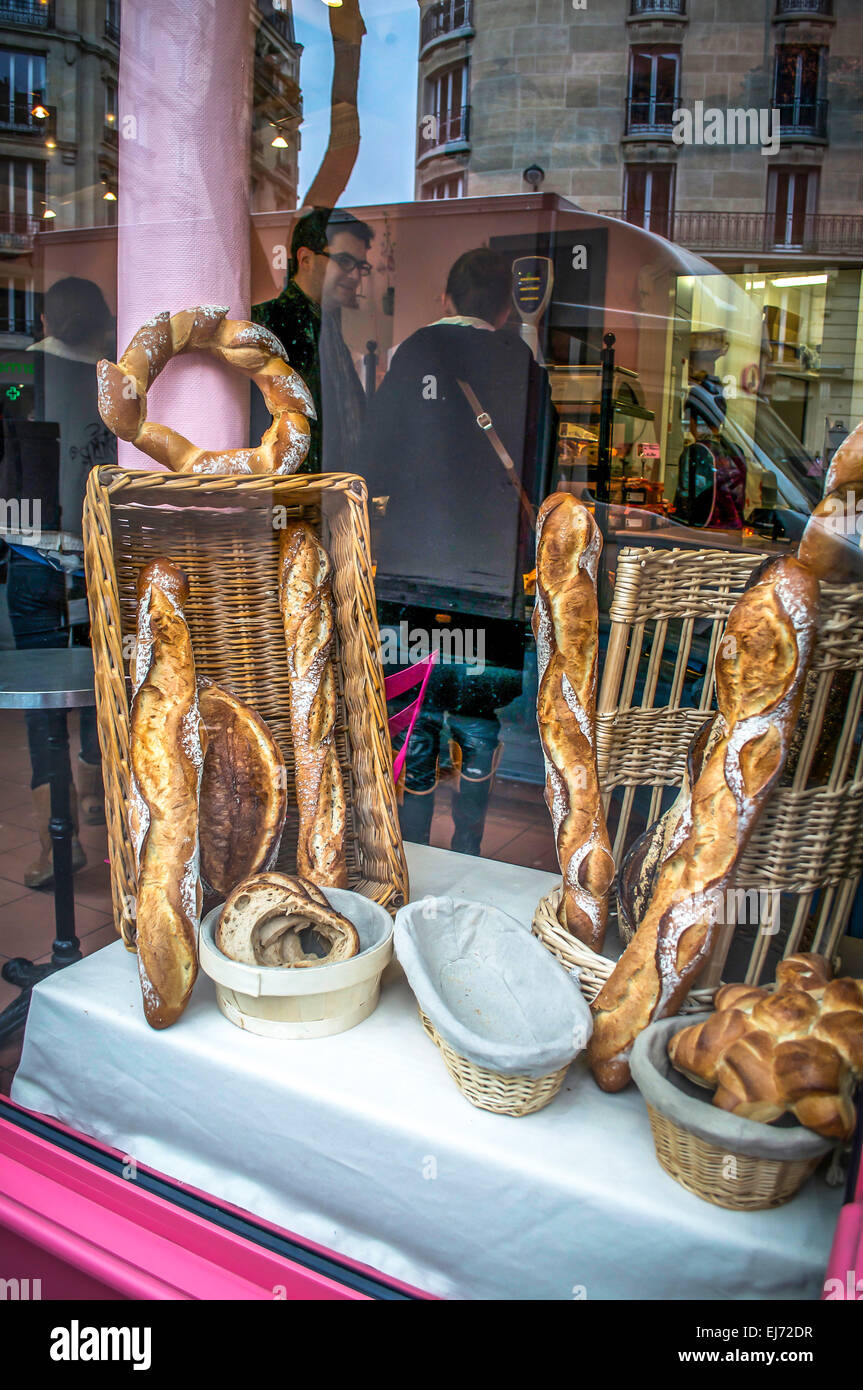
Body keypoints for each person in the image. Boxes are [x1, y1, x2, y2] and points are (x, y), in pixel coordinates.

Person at [359, 247, 555, 855]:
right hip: (490, 580)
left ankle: (413, 850)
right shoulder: (521, 360)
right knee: (475, 712)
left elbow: (370, 464)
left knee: (413, 715)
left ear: (446, 298)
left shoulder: (416, 351)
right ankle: (469, 848)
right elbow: (545, 470)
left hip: (409, 575)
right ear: (503, 307)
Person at [5, 276, 116, 888]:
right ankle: (99, 798)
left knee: (44, 709)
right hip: (96, 557)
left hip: (32, 555)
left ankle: (61, 836)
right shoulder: (114, 380)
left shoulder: (23, 371)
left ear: (47, 314)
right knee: (108, 689)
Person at [252, 206, 373, 472]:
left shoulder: (327, 325)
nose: (355, 276)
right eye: (344, 261)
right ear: (305, 258)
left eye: (360, 266)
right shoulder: (265, 321)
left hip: (326, 498)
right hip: (290, 499)